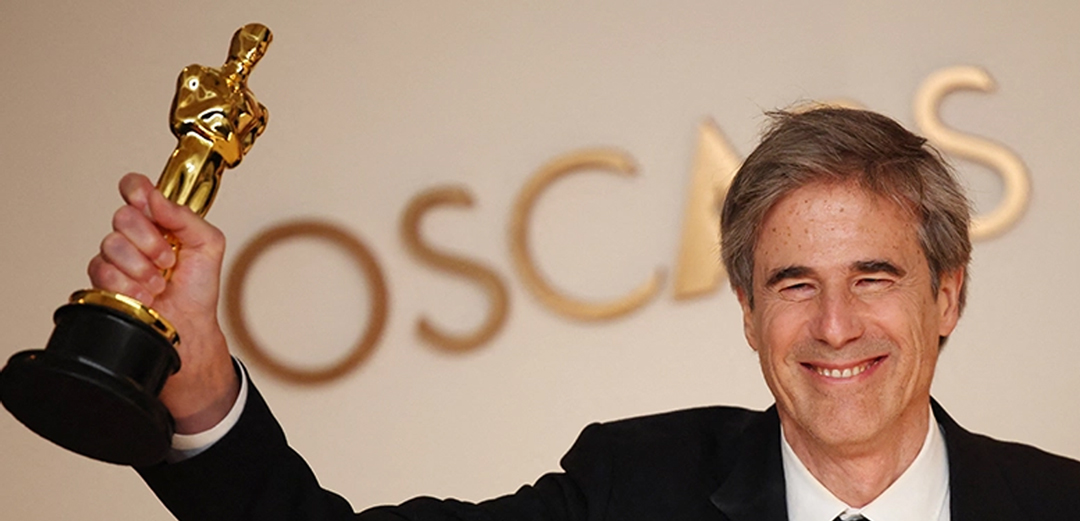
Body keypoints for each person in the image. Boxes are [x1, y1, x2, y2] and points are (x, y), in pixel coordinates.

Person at [90, 107, 1080, 520]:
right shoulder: (629, 489)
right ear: (747, 310)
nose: (833, 324)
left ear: (947, 294)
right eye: (793, 283)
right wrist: (203, 387)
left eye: (873, 277)